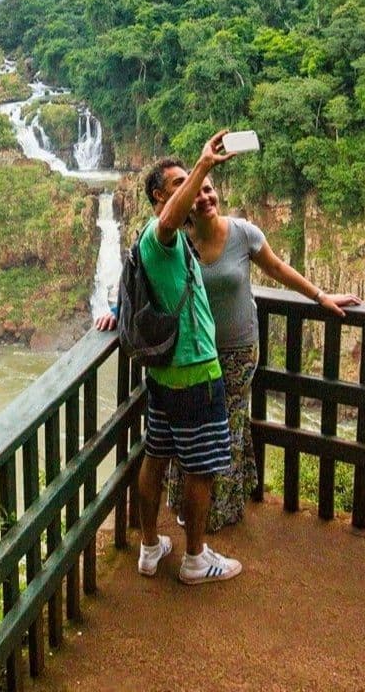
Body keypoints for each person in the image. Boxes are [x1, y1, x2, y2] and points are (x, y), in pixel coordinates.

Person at [101, 142, 361, 534]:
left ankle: (220, 512)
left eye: (206, 187)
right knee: (192, 442)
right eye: (191, 187)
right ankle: (190, 522)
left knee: (224, 433)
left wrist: (321, 296)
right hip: (189, 358)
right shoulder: (175, 238)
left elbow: (277, 268)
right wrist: (118, 313)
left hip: (237, 352)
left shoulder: (241, 233)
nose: (203, 194)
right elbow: (148, 280)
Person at [123, 132, 243, 584]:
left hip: (164, 374)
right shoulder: (161, 235)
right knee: (201, 469)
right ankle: (195, 559)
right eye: (179, 184)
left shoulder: (163, 242)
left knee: (156, 458)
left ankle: (151, 548)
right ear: (160, 195)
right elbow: (170, 222)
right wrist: (203, 166)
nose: (191, 189)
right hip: (193, 373)